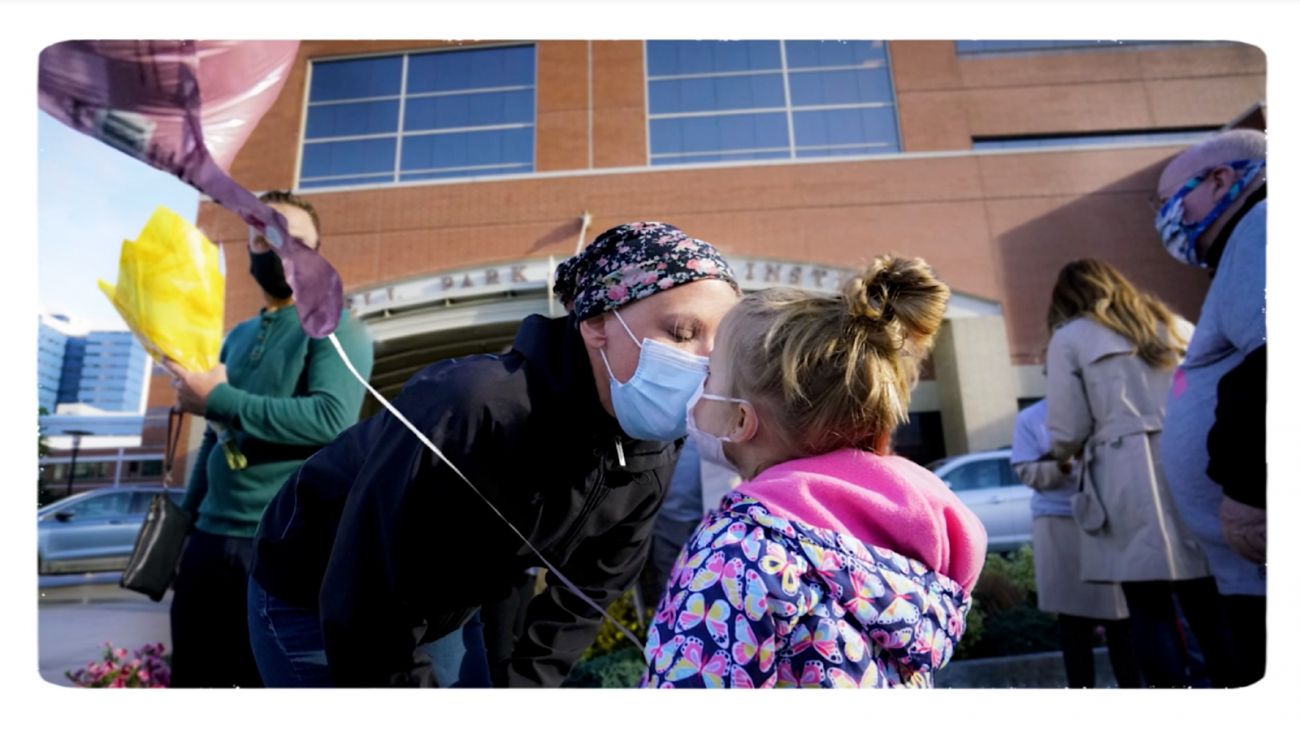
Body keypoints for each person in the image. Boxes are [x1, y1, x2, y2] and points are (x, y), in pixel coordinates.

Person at [246, 222, 742, 687]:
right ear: (596, 324)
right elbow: (365, 598)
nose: (703, 363)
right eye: (681, 333)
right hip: (313, 594)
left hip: (448, 607)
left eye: (718, 345)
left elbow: (589, 594)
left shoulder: (653, 448)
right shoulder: (468, 405)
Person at [641, 255, 988, 689]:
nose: (699, 388)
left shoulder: (738, 552)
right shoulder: (903, 549)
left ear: (741, 421)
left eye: (710, 376)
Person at [163, 190, 374, 688]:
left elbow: (331, 418)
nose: (278, 250)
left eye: (294, 239)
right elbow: (217, 439)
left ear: (318, 248)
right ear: (249, 248)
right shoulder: (233, 336)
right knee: (194, 681)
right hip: (209, 543)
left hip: (282, 543)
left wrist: (217, 399)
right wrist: (186, 528)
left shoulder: (335, 326)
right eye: (264, 237)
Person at [1044, 258, 1236, 688]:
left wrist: (1065, 453)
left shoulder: (1070, 338)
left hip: (1122, 476)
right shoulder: (1177, 325)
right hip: (1192, 464)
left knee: (1147, 608)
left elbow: (1066, 429)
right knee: (1209, 601)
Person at [1153, 129, 1266, 686]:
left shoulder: (1262, 227)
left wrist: (1246, 493)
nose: (1167, 219)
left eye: (1172, 200)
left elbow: (1273, 361)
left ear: (1222, 179)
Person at [1010, 398, 1140, 689]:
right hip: (1058, 524)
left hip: (1109, 522)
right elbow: (1026, 471)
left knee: (1122, 625)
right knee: (1073, 625)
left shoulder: (1107, 406)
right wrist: (1064, 465)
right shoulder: (1031, 418)